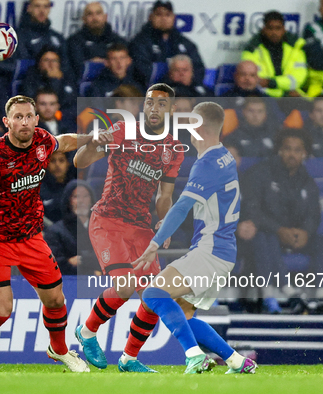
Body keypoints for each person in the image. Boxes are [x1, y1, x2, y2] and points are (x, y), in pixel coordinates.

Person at [0, 95, 97, 372]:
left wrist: (95, 137)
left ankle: (58, 350)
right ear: (6, 122)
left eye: (28, 117)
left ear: (37, 119)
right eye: (18, 117)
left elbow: (67, 141)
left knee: (56, 300)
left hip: (30, 237)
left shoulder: (43, 141)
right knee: (1, 310)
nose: (24, 122)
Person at [133, 101, 257, 374]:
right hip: (223, 253)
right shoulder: (223, 156)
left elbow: (182, 206)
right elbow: (204, 203)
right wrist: (172, 218)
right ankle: (237, 361)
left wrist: (155, 243)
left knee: (154, 294)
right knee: (184, 315)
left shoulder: (209, 163)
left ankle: (194, 357)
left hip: (210, 251)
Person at [73, 84, 184, 373]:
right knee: (124, 285)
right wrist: (96, 142)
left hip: (140, 226)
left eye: (162, 104)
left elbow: (164, 196)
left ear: (171, 110)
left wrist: (166, 226)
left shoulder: (173, 149)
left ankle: (129, 359)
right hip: (108, 220)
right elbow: (78, 161)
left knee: (155, 296)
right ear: (143, 106)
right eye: (149, 103)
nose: (154, 109)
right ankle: (86, 333)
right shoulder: (124, 130)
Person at [238, 128, 323, 313]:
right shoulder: (260, 173)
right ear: (280, 150)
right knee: (265, 237)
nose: (292, 154)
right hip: (267, 235)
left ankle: (321, 298)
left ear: (304, 153)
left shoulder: (306, 179)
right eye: (288, 149)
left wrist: (306, 232)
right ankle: (284, 291)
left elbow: (314, 214)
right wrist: (279, 230)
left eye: (298, 150)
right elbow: (252, 210)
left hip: (294, 236)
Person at [129, 1, 205, 85]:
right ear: (151, 17)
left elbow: (199, 70)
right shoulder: (139, 42)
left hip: (184, 92)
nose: (163, 19)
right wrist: (171, 73)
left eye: (167, 15)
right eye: (159, 14)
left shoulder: (185, 43)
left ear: (173, 18)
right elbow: (141, 72)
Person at [241, 11, 307, 98]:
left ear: (284, 29)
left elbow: (298, 79)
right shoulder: (251, 49)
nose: (274, 32)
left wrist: (271, 83)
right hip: (264, 96)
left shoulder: (296, 47)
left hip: (292, 95)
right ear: (264, 29)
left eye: (278, 28)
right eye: (270, 28)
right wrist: (282, 93)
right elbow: (256, 82)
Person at [45, 180, 101, 276]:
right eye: (76, 196)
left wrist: (81, 259)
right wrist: (91, 273)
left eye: (85, 196)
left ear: (92, 199)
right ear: (68, 201)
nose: (81, 201)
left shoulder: (104, 230)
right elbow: (54, 265)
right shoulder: (55, 232)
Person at [66, 2, 126, 81]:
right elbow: (76, 68)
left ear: (105, 17)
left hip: (115, 82)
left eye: (98, 13)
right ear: (84, 19)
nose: (94, 18)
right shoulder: (74, 41)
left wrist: (95, 63)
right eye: (90, 14)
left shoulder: (118, 40)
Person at [21, 47, 77, 122]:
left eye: (54, 61)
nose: (51, 64)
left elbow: (72, 102)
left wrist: (56, 80)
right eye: (46, 60)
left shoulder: (67, 77)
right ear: (39, 63)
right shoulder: (31, 77)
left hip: (65, 120)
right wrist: (53, 80)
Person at [16, 0, 70, 72]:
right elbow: (24, 65)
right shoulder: (19, 36)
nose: (42, 11)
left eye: (46, 7)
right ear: (29, 8)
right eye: (37, 6)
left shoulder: (58, 37)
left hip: (57, 81)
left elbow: (66, 67)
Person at [40, 151, 76, 223]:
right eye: (53, 161)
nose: (57, 165)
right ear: (46, 165)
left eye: (61, 160)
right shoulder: (40, 190)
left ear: (67, 164)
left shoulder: (75, 187)